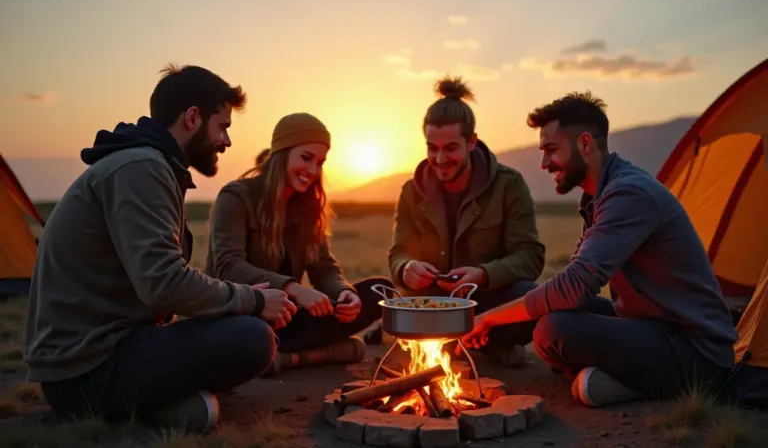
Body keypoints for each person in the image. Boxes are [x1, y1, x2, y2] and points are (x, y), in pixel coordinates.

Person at [24, 64, 296, 433]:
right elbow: (164, 283)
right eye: (223, 126)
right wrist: (255, 300)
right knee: (253, 338)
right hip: (85, 370)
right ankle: (148, 409)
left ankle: (163, 401)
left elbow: (160, 287)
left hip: (108, 347)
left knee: (243, 326)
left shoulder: (150, 165)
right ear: (192, 118)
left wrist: (241, 302)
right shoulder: (141, 168)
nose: (226, 141)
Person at [460, 91, 739, 407]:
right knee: (547, 312)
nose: (544, 163)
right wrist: (498, 317)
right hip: (647, 325)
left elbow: (575, 286)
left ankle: (639, 384)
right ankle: (615, 378)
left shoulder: (629, 194)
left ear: (584, 144)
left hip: (695, 351)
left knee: (553, 329)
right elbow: (571, 284)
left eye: (551, 150)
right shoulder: (599, 196)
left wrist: (490, 318)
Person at [205, 112, 394, 376]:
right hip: (243, 315)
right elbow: (228, 267)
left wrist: (342, 293)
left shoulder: (307, 206)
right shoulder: (237, 197)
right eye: (306, 158)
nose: (313, 171)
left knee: (380, 291)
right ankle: (297, 354)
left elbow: (324, 268)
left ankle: (281, 356)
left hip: (288, 320)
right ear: (282, 153)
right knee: (255, 334)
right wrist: (294, 289)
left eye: (320, 162)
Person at [388, 76, 546, 367]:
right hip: (433, 305)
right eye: (432, 148)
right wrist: (407, 268)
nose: (439, 159)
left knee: (535, 299)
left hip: (487, 303)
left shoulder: (508, 185)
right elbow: (399, 254)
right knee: (390, 302)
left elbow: (530, 258)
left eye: (450, 148)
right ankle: (482, 348)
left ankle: (459, 344)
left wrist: (484, 274)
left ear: (471, 142)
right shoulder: (412, 191)